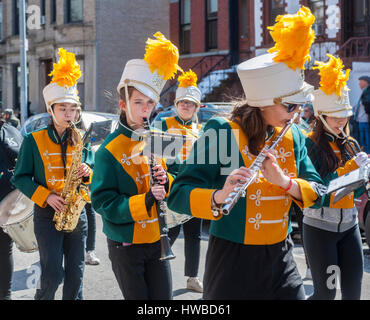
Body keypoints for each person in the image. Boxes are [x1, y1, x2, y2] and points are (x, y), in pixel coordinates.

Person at [167, 6, 325, 299]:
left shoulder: (293, 136)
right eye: (290, 106)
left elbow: (318, 190)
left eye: (299, 106)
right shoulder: (223, 132)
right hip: (232, 260)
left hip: (281, 257)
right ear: (263, 102)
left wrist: (284, 182)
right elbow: (178, 194)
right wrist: (218, 195)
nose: (296, 114)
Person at [91, 32, 181, 300]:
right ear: (123, 104)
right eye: (137, 103)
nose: (145, 110)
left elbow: (174, 177)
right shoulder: (108, 150)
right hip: (126, 243)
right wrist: (145, 201)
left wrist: (166, 180)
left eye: (149, 103)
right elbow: (102, 202)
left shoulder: (158, 138)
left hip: (157, 237)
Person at [12, 48, 93, 300]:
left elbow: (92, 169)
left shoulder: (80, 137)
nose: (70, 115)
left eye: (73, 110)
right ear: (51, 110)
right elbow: (20, 177)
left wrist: (88, 171)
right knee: (53, 273)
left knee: (76, 275)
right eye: (63, 109)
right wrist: (46, 196)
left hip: (76, 212)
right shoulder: (33, 140)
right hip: (48, 214)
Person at [303, 54, 369, 300]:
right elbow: (320, 189)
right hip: (320, 229)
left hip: (350, 226)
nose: (342, 120)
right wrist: (350, 167)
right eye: (335, 115)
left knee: (353, 294)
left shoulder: (351, 142)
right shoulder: (310, 145)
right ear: (321, 117)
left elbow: (357, 192)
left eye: (345, 114)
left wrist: (365, 176)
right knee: (325, 295)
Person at [154, 69, 204, 293]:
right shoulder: (165, 125)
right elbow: (157, 160)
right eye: (182, 102)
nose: (186, 106)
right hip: (171, 188)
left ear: (196, 108)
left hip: (194, 190)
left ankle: (192, 277)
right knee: (170, 232)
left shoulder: (199, 130)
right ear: (176, 104)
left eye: (190, 104)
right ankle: (156, 269)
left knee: (194, 235)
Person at [0, 119, 23, 300]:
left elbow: (23, 163)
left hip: (6, 205)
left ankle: (5, 295)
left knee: (4, 249)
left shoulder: (10, 131)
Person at [352, 76, 370, 153]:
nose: (359, 83)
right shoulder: (364, 91)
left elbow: (367, 103)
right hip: (361, 120)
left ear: (366, 82)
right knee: (362, 141)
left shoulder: (368, 91)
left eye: (361, 81)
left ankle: (367, 155)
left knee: (366, 141)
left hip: (365, 120)